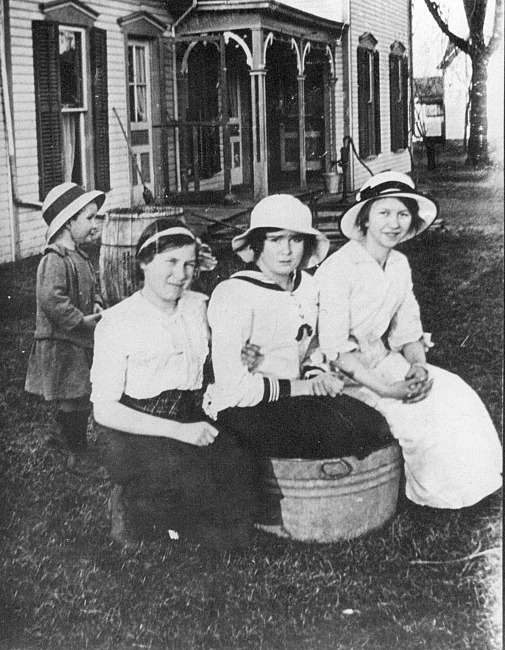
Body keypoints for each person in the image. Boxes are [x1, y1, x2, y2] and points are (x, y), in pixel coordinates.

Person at [315, 171, 502, 510]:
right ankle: (431, 496)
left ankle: (473, 486)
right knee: (413, 416)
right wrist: (388, 390)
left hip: (383, 359)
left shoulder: (399, 264)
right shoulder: (338, 268)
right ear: (365, 219)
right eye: (384, 213)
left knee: (453, 391)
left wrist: (417, 365)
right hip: (342, 375)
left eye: (402, 214)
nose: (394, 224)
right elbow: (335, 349)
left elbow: (408, 331)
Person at [90, 218, 256, 549]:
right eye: (171, 262)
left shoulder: (198, 307)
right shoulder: (117, 322)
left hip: (188, 410)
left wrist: (240, 353)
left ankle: (195, 522)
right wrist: (179, 431)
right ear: (144, 262)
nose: (181, 275)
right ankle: (128, 503)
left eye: (189, 265)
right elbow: (105, 410)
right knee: (173, 470)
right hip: (133, 423)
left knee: (233, 456)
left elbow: (212, 359)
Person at [203, 194, 393, 461]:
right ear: (258, 243)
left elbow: (312, 346)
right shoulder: (234, 294)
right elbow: (233, 387)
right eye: (275, 239)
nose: (286, 250)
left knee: (373, 426)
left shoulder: (309, 287)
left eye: (296, 239)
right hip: (246, 406)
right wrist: (303, 388)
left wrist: (315, 374)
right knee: (324, 440)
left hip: (298, 397)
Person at [25, 182, 106, 476]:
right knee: (75, 397)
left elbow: (92, 288)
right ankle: (77, 455)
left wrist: (96, 304)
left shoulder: (81, 257)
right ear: (68, 221)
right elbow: (50, 299)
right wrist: (77, 320)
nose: (94, 224)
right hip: (63, 342)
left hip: (77, 340)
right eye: (89, 217)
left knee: (79, 395)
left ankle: (68, 437)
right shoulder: (55, 259)